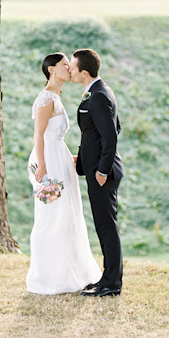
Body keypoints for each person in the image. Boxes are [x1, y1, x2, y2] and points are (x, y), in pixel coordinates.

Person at [26, 53, 102, 295]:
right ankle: (47, 276)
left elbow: (54, 137)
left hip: (59, 159)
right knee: (51, 217)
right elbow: (39, 135)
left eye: (69, 65)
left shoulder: (56, 97)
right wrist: (43, 166)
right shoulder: (46, 98)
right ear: (51, 70)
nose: (69, 69)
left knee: (68, 216)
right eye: (64, 65)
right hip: (47, 161)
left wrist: (71, 158)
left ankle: (71, 272)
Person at [70, 48, 124, 297]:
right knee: (104, 225)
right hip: (95, 169)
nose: (69, 70)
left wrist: (102, 169)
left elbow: (110, 136)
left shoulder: (99, 95)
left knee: (106, 226)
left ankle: (112, 283)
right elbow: (109, 129)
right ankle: (107, 278)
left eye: (72, 66)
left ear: (84, 72)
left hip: (103, 174)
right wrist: (82, 161)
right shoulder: (99, 91)